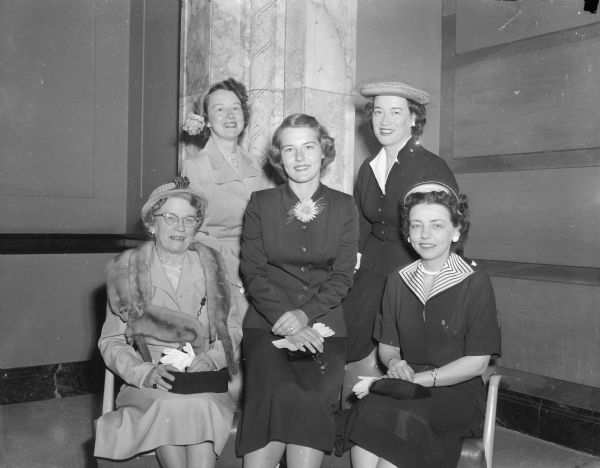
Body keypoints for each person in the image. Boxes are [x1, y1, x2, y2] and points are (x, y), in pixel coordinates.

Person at [336, 183, 501, 468]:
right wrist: (396, 362)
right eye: (416, 226)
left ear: (456, 231)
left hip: (456, 392)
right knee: (369, 412)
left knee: (400, 423)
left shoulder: (474, 281)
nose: (425, 235)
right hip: (406, 385)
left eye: (437, 225)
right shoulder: (397, 280)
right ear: (408, 235)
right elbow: (388, 347)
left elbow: (477, 363)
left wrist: (417, 380)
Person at [235, 113, 359, 468]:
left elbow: (343, 276)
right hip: (266, 324)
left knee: (310, 397)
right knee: (275, 391)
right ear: (279, 158)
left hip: (324, 327)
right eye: (290, 149)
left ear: (324, 152)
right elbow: (253, 273)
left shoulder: (344, 206)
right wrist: (285, 319)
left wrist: (304, 315)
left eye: (308, 147)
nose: (300, 157)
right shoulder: (261, 204)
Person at [94, 177, 242, 468]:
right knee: (168, 405)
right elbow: (110, 341)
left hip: (201, 380)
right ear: (152, 223)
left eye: (189, 220)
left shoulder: (212, 267)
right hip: (150, 383)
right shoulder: (127, 272)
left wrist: (212, 359)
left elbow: (232, 329)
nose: (180, 227)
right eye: (170, 218)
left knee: (197, 405)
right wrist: (143, 372)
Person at [344, 78, 459, 371]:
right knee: (343, 342)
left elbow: (447, 232)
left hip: (415, 272)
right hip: (372, 270)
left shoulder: (431, 167)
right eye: (378, 112)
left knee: (409, 357)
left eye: (395, 112)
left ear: (413, 119)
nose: (384, 121)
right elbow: (362, 226)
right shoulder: (369, 168)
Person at [181, 77, 267, 322]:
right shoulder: (194, 167)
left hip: (255, 264)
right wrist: (237, 269)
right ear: (206, 119)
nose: (230, 115)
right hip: (217, 267)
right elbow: (193, 232)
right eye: (219, 109)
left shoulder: (253, 164)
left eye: (236, 108)